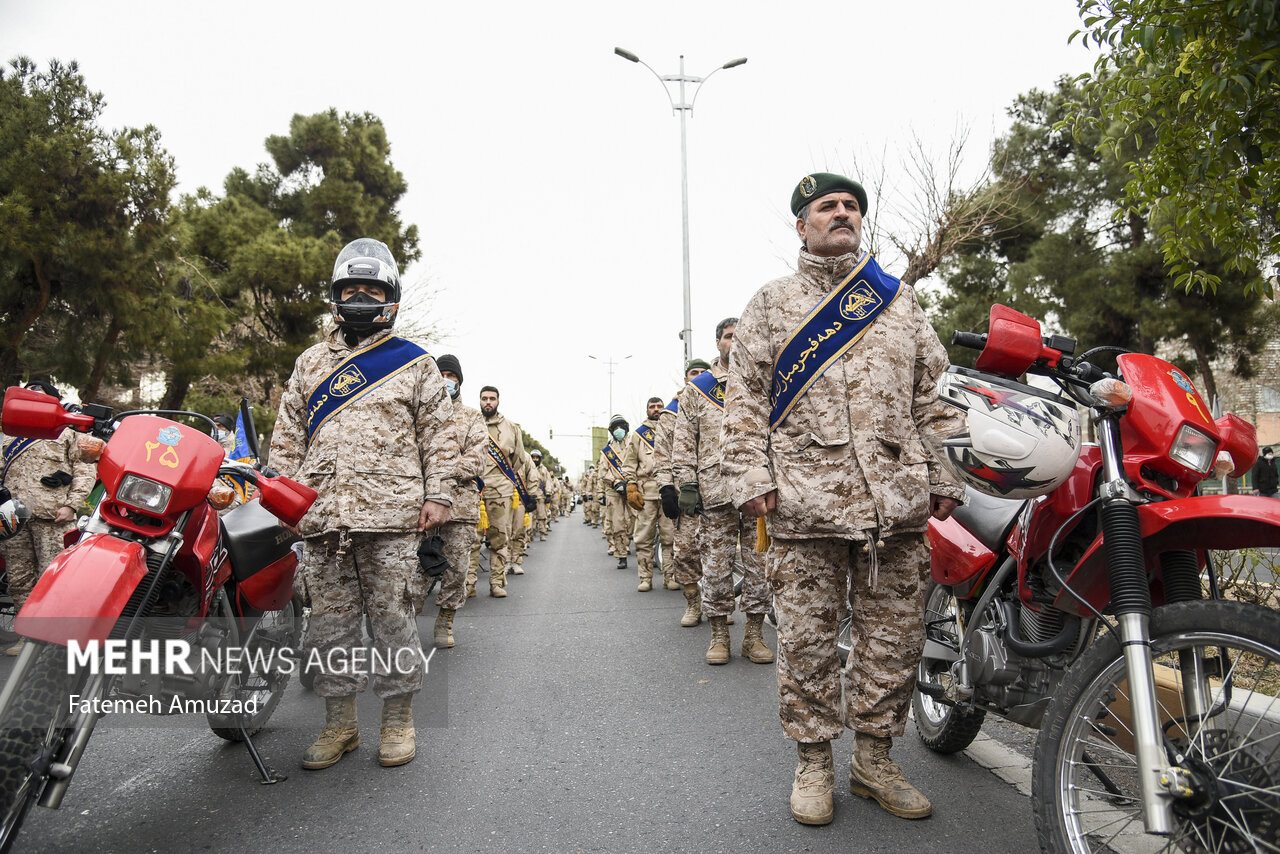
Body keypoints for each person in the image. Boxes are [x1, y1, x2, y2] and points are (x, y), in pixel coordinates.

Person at [720, 173, 965, 825]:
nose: (841, 214)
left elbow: (931, 396)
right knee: (806, 643)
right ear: (801, 225)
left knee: (894, 641)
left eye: (851, 206)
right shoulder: (771, 304)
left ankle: (875, 760)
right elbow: (742, 400)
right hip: (803, 507)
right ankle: (814, 760)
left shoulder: (898, 303)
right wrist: (750, 477)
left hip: (895, 506)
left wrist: (944, 473)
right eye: (826, 207)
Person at [270, 237, 458, 770]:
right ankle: (340, 726)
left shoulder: (414, 363)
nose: (359, 296)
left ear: (390, 297)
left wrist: (438, 495)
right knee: (331, 626)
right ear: (335, 296)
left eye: (370, 288)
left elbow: (439, 436)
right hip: (324, 519)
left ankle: (398, 721)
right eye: (350, 288)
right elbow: (287, 438)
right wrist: (287, 501)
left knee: (393, 622)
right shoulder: (309, 363)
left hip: (394, 518)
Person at [674, 319, 774, 665]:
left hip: (757, 490)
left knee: (759, 567)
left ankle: (754, 635)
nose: (736, 341)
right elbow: (685, 442)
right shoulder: (698, 389)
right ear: (718, 343)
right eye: (730, 336)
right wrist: (685, 483)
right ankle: (719, 635)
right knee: (715, 567)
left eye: (742, 336)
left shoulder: (763, 383)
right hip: (714, 492)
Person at [0, 380, 95, 655]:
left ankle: (50, 640)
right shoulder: (8, 433)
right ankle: (25, 636)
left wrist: (73, 505)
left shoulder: (66, 432)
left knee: (51, 578)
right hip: (12, 516)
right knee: (19, 579)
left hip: (52, 515)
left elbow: (85, 471)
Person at [431, 354, 488, 648]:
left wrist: (440, 472)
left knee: (456, 569)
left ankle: (445, 620)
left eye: (451, 376)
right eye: (440, 374)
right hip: (420, 503)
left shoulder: (471, 417)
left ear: (459, 381)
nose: (446, 380)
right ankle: (403, 622)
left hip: (460, 505)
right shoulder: (421, 412)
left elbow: (476, 458)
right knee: (413, 567)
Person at [656, 359, 711, 621]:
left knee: (717, 552)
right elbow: (663, 455)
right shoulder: (670, 414)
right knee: (687, 550)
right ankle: (693, 603)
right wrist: (666, 488)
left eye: (703, 373)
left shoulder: (717, 400)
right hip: (684, 492)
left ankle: (715, 604)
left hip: (717, 490)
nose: (699, 376)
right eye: (693, 373)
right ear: (685, 377)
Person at [473, 386, 531, 595]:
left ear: (498, 401)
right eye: (484, 398)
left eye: (492, 399)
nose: (488, 402)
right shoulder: (471, 423)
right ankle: (469, 584)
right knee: (472, 540)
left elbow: (519, 460)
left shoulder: (511, 428)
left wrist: (501, 479)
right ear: (479, 400)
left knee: (499, 538)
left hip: (501, 492)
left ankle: (496, 583)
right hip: (474, 490)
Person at [622, 397, 676, 592]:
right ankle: (645, 578)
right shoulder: (638, 435)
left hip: (669, 490)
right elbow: (629, 463)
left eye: (659, 406)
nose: (656, 409)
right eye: (652, 407)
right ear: (647, 410)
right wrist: (631, 485)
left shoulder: (673, 429)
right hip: (646, 493)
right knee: (644, 537)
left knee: (669, 537)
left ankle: (670, 577)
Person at [597, 414, 633, 569]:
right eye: (615, 428)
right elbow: (603, 472)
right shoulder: (608, 451)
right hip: (614, 491)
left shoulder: (634, 443)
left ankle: (630, 544)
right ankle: (621, 554)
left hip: (633, 489)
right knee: (618, 525)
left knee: (634, 522)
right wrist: (616, 482)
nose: (619, 430)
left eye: (621, 427)